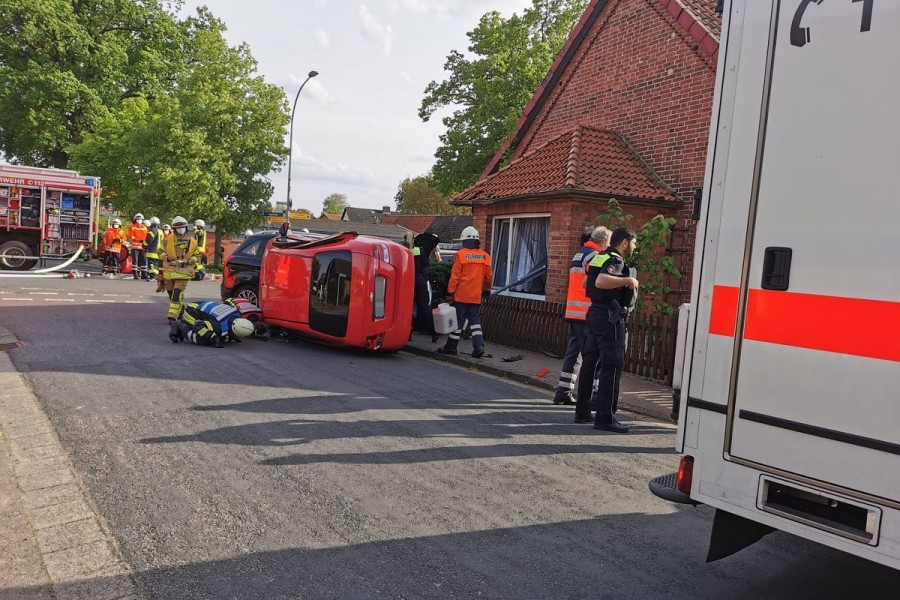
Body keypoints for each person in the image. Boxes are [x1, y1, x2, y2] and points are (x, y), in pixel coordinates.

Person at [574, 227, 639, 433]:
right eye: (634, 243)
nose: (635, 248)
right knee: (612, 366)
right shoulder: (616, 260)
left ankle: (582, 412)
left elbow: (587, 282)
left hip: (594, 315)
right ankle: (605, 418)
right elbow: (601, 281)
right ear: (625, 242)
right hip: (610, 318)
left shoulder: (600, 257)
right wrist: (628, 280)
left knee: (589, 364)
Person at [553, 225, 610, 405]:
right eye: (608, 243)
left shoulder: (579, 254)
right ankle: (592, 395)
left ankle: (563, 390)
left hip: (574, 310)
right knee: (593, 356)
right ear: (602, 241)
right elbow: (596, 283)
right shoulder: (595, 256)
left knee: (574, 353)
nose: (608, 246)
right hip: (586, 312)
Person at [437, 226, 492, 358]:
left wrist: (450, 292)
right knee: (475, 321)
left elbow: (454, 277)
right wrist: (486, 290)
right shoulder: (485, 257)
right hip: (475, 296)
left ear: (464, 241)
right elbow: (489, 277)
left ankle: (451, 347)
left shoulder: (460, 255)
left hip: (461, 296)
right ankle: (479, 346)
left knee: (458, 322)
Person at [159, 216, 200, 322]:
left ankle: (172, 317)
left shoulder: (192, 242)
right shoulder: (167, 240)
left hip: (184, 273)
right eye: (178, 228)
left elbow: (197, 256)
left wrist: (188, 261)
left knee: (177, 295)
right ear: (174, 229)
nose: (181, 229)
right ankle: (181, 312)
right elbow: (160, 252)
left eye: (182, 227)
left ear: (186, 228)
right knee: (171, 294)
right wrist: (166, 257)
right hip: (169, 273)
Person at [169, 300, 255, 347]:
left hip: (202, 305)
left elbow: (229, 301)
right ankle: (179, 325)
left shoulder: (236, 313)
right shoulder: (219, 326)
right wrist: (213, 337)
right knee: (202, 339)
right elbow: (198, 326)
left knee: (220, 336)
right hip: (192, 311)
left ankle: (183, 324)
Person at [412, 232, 441, 343]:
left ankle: (409, 332)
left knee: (407, 305)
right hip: (421, 278)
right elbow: (425, 263)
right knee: (423, 306)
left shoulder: (411, 249)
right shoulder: (421, 250)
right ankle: (433, 331)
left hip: (410, 277)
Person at [127, 213, 149, 280]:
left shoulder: (145, 228)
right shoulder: (132, 227)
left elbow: (147, 237)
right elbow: (131, 236)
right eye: (138, 219)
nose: (139, 220)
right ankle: (135, 274)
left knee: (144, 261)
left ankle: (144, 274)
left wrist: (145, 243)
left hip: (143, 247)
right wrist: (139, 240)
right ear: (135, 220)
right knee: (135, 261)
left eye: (140, 219)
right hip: (135, 247)